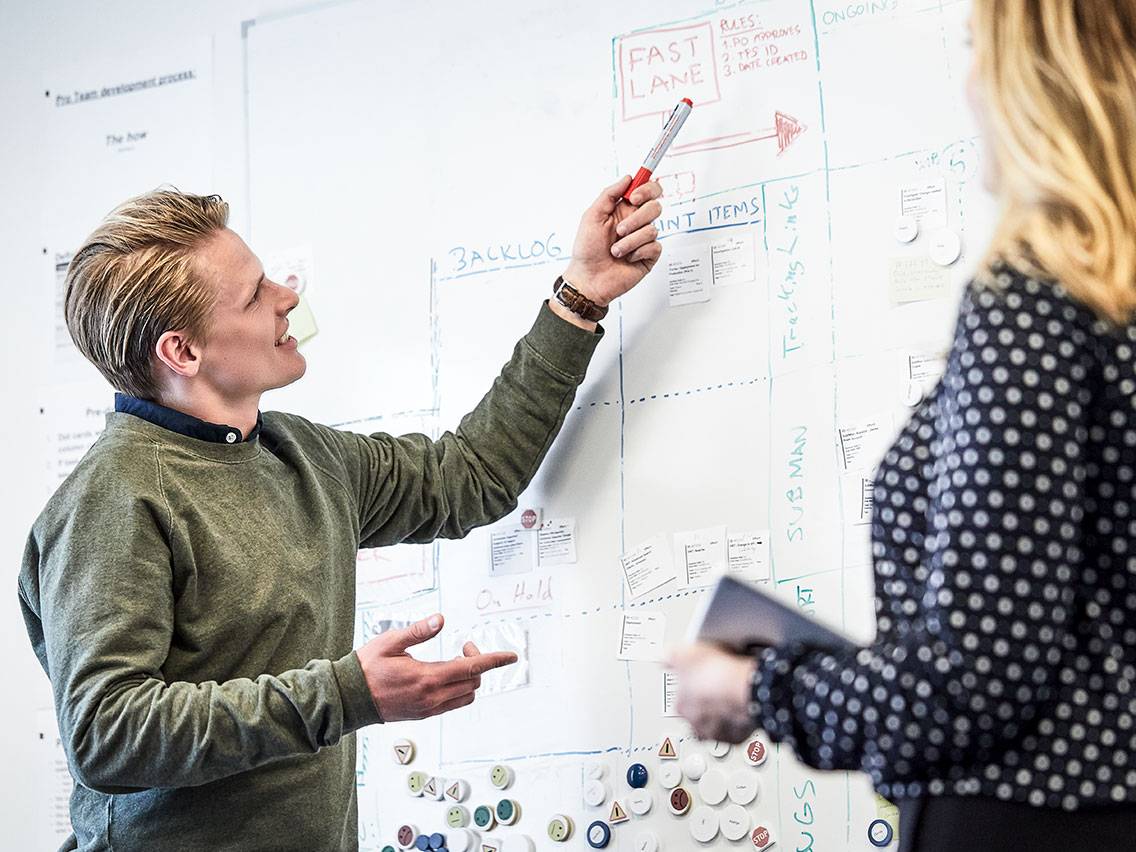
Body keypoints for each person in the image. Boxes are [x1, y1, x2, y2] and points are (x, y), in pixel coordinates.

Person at [18, 175, 662, 851]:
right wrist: (348, 695)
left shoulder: (302, 456)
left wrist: (581, 294)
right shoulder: (115, 498)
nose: (287, 297)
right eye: (254, 293)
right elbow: (108, 734)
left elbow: (471, 476)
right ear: (182, 351)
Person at [668, 2, 1136, 849]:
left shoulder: (1036, 302)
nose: (969, 80)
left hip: (1026, 822)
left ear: (1039, 78)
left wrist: (754, 690)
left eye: (976, 50)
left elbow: (973, 680)